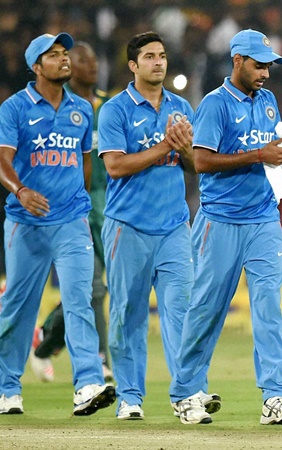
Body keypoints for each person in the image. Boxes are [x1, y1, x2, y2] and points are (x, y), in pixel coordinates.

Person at [169, 29, 282, 426]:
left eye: (269, 66)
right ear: (237, 61)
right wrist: (258, 155)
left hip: (263, 218)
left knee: (269, 309)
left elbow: (267, 145)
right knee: (207, 309)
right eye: (258, 65)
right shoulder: (214, 104)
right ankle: (185, 392)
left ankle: (276, 396)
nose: (265, 73)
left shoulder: (267, 101)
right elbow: (201, 162)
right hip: (220, 220)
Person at [0, 32, 115, 416]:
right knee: (19, 308)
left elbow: (85, 165)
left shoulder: (81, 109)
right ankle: (7, 388)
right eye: (53, 55)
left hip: (71, 221)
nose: (63, 59)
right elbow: (2, 158)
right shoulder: (15, 108)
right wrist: (20, 191)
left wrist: (77, 204)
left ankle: (88, 384)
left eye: (65, 53)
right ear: (36, 66)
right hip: (26, 222)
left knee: (80, 300)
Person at [97, 31, 195, 421]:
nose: (158, 62)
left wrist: (185, 149)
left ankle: (187, 394)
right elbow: (115, 166)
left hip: (173, 226)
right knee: (128, 313)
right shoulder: (115, 110)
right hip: (128, 226)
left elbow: (195, 166)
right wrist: (166, 146)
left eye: (162, 55)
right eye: (150, 56)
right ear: (133, 65)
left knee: (181, 311)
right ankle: (130, 397)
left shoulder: (181, 107)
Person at [29, 41, 113, 383]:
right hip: (76, 206)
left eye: (94, 59)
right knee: (93, 288)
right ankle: (101, 359)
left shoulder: (110, 106)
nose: (91, 65)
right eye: (83, 59)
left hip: (112, 207)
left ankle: (45, 336)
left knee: (104, 287)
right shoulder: (60, 110)